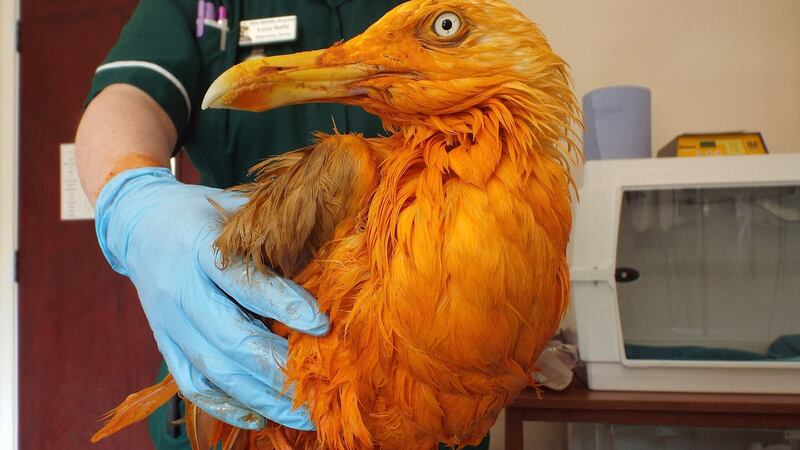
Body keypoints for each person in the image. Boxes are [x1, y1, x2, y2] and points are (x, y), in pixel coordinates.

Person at [76, 1, 490, 449]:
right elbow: (129, 95)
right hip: (240, 357)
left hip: (432, 382)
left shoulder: (449, 11)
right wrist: (134, 199)